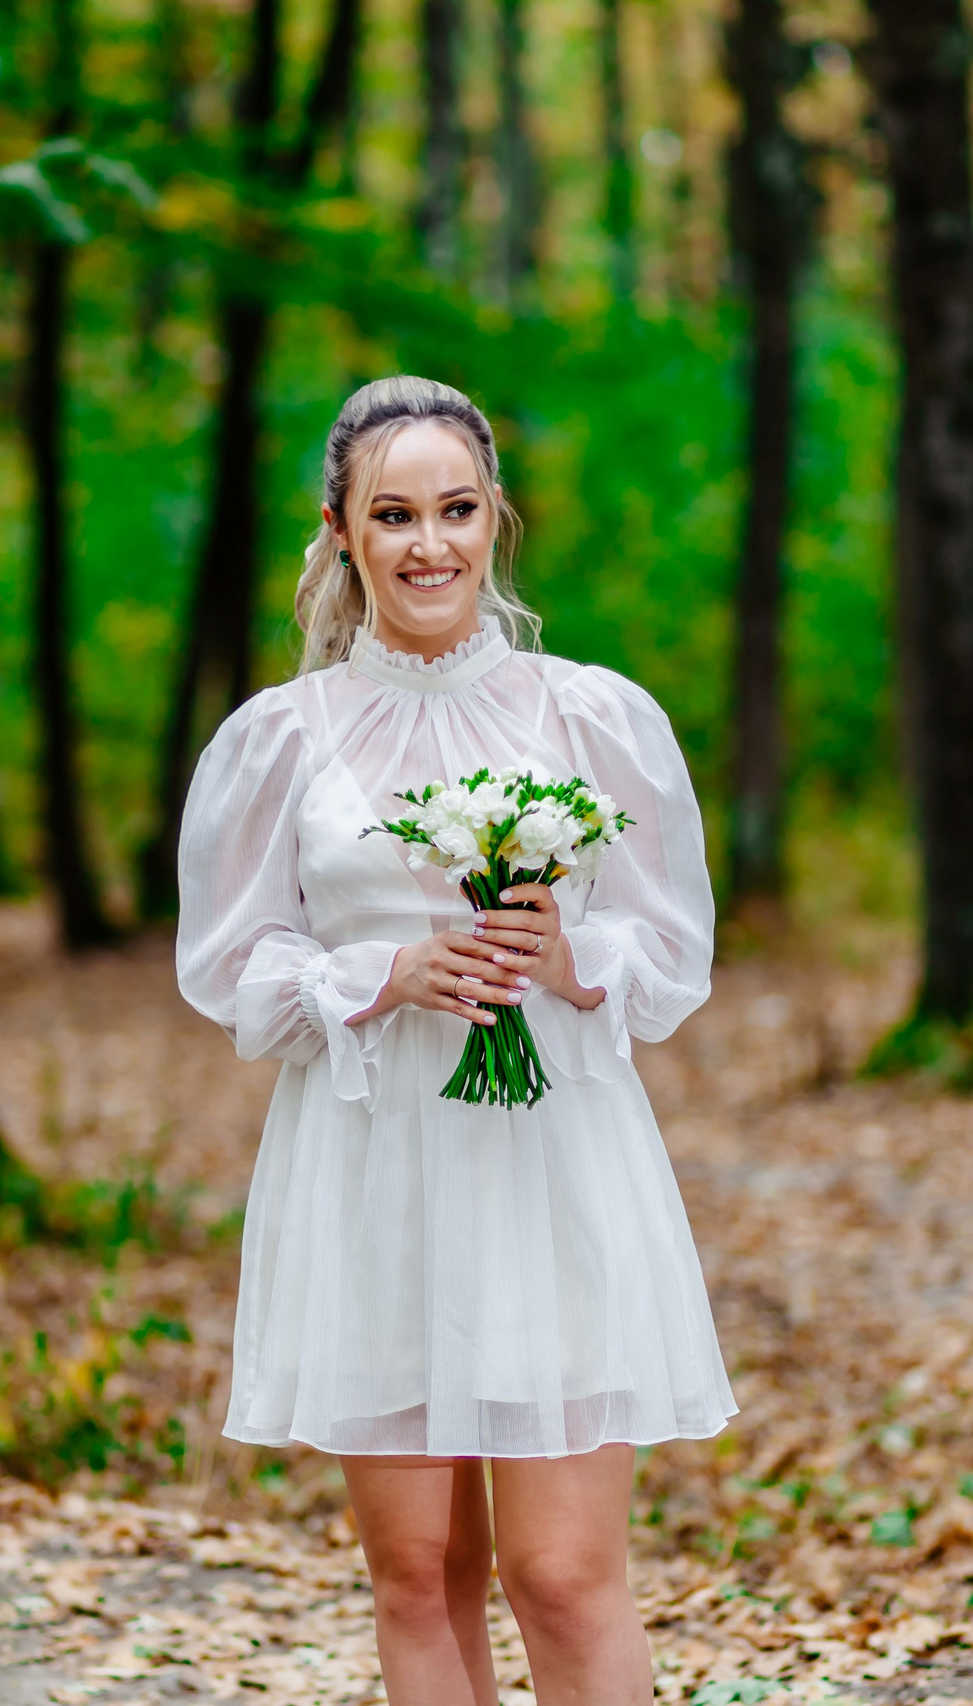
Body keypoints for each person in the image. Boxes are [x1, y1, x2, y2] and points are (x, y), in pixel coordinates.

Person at [176, 376, 734, 1706]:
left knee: (560, 1571)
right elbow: (235, 964)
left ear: (497, 520)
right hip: (373, 1167)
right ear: (342, 532)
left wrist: (565, 954)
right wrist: (381, 974)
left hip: (550, 1168)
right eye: (394, 514)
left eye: (456, 510)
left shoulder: (590, 718)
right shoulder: (283, 740)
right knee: (417, 1570)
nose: (429, 543)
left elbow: (672, 947)